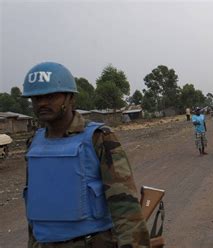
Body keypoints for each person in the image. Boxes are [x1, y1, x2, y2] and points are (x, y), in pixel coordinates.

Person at [22, 62, 150, 247]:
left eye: (50, 96)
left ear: (70, 98)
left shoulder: (99, 138)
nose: (42, 103)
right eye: (35, 98)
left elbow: (124, 205)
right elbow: (35, 206)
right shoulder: (34, 143)